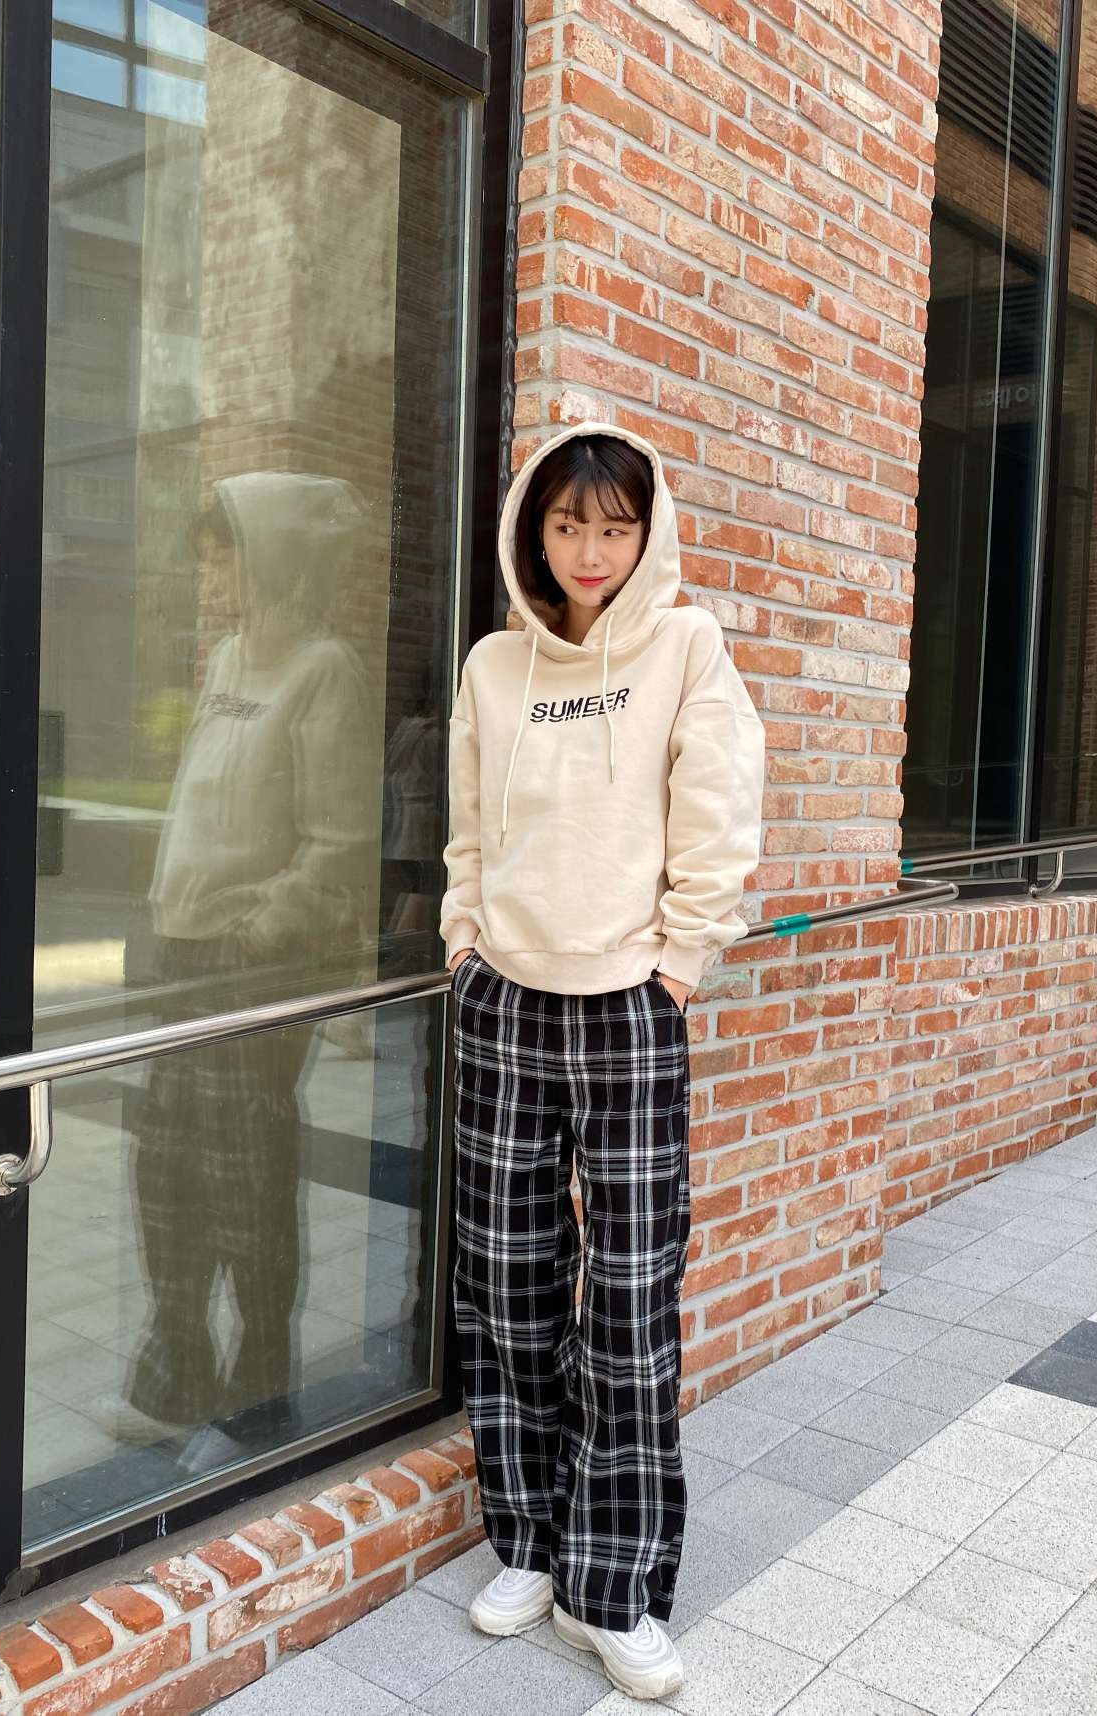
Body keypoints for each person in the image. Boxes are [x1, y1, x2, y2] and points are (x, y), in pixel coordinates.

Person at [440, 421, 766, 1700]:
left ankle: (613, 1586)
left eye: (614, 527)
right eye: (568, 524)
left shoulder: (685, 647)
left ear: (647, 532)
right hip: (504, 1003)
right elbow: (469, 830)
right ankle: (526, 1543)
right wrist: (464, 945)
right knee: (507, 1285)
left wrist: (680, 964)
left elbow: (722, 809)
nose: (590, 550)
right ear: (536, 530)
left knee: (629, 1303)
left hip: (629, 1005)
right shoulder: (494, 667)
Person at [113, 472, 378, 1469]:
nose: (210, 571)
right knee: (166, 1169)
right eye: (205, 554)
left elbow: (340, 841)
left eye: (222, 552)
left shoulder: (323, 670)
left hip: (253, 965)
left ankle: (259, 1398)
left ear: (268, 556)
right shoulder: (229, 658)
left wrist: (259, 934)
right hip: (182, 954)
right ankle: (176, 1374)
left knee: (247, 1181)